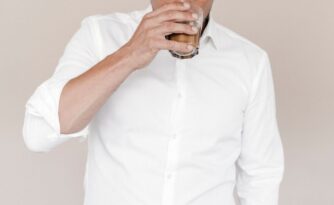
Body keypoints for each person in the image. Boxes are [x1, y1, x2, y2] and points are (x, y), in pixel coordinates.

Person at [22, 0, 285, 204]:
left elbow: (261, 176)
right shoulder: (100, 35)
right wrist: (130, 54)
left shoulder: (250, 62)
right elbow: (39, 134)